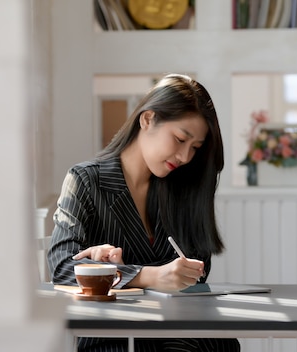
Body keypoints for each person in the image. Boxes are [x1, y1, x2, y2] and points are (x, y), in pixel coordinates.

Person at [47, 73, 240, 352]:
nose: (186, 157)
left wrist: (167, 274)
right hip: (114, 337)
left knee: (218, 344)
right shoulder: (86, 181)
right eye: (179, 139)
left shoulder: (183, 186)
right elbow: (62, 267)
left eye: (195, 148)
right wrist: (145, 275)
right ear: (148, 119)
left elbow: (197, 272)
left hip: (176, 329)